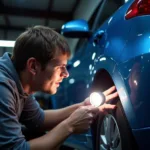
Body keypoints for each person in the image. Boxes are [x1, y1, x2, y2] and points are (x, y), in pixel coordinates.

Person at [0, 25, 118, 150]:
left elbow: (39, 120)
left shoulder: (20, 84)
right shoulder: (3, 87)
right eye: (61, 67)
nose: (66, 74)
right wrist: (70, 125)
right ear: (33, 66)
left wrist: (83, 106)